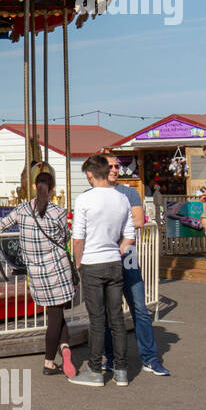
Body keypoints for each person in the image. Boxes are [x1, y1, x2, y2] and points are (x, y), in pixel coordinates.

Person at [0, 169, 76, 375]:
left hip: (36, 272)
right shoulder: (58, 212)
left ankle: (62, 350)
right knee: (56, 313)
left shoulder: (22, 210)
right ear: (53, 189)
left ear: (35, 187)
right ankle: (51, 359)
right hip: (57, 268)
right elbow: (65, 238)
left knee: (54, 313)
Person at [100, 152, 170, 377]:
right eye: (110, 166)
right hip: (104, 257)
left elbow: (138, 220)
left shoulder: (129, 192)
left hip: (127, 255)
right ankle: (110, 358)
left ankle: (150, 358)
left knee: (139, 307)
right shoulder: (92, 194)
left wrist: (113, 226)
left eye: (116, 166)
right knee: (108, 311)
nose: (114, 170)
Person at [70, 154, 136, 387]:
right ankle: (121, 371)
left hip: (92, 262)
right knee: (117, 318)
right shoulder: (122, 199)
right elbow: (130, 234)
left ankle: (95, 370)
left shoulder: (84, 200)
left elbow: (78, 238)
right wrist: (117, 251)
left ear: (90, 174)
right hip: (114, 262)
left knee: (97, 320)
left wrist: (78, 263)